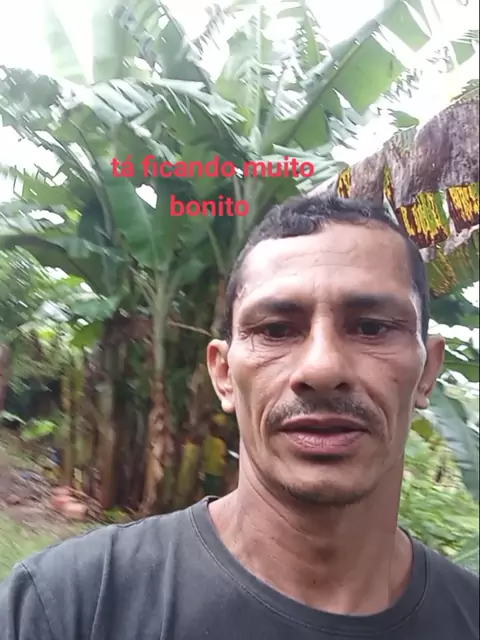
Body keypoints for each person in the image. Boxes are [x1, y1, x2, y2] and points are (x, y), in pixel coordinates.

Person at [1, 195, 478, 639]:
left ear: (427, 372)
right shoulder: (66, 608)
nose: (322, 369)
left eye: (371, 327)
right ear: (224, 374)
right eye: (276, 330)